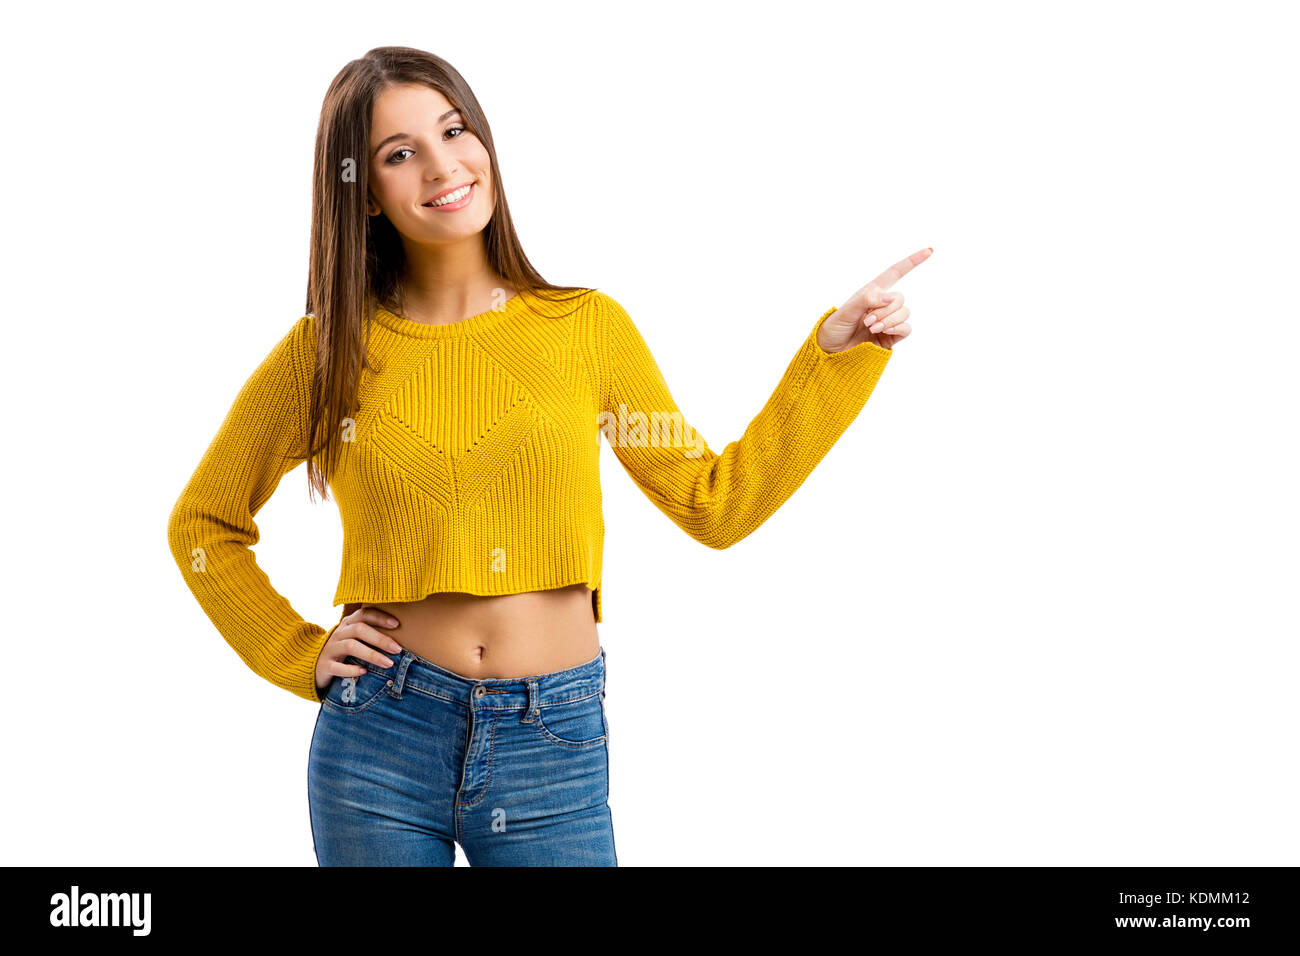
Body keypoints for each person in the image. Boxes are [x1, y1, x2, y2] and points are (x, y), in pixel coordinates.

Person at [165, 45, 929, 867]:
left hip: (551, 740)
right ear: (368, 195)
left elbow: (717, 502)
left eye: (454, 131)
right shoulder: (325, 351)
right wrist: (297, 652)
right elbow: (202, 525)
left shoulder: (585, 329)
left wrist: (836, 354)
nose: (441, 165)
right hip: (379, 737)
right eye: (399, 153)